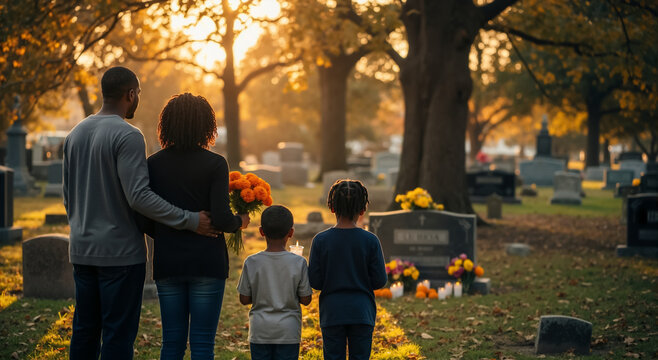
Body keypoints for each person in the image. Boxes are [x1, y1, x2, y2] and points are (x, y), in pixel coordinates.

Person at [63, 66, 218, 360]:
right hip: (120, 256)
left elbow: (69, 196)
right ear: (130, 94)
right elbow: (140, 197)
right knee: (117, 336)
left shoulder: (75, 133)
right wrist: (191, 219)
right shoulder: (127, 135)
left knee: (84, 331)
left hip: (81, 250)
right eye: (138, 95)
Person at [141, 93, 250, 359]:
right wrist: (241, 221)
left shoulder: (153, 164)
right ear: (206, 126)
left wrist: (169, 232)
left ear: (167, 124)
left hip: (168, 261)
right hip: (206, 262)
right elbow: (223, 219)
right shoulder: (215, 164)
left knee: (171, 343)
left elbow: (143, 217)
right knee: (202, 344)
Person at [308, 179, 388, 360]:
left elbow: (315, 282)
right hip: (362, 312)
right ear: (362, 210)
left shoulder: (320, 240)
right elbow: (379, 281)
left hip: (332, 312)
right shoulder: (370, 240)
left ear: (332, 208)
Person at [237, 205, 313, 360]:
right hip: (288, 331)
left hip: (260, 331)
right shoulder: (299, 262)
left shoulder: (251, 262)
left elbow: (244, 299)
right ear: (291, 232)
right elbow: (306, 299)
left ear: (261, 231)